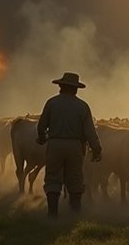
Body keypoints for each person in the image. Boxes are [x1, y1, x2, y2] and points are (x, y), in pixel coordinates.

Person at [36, 72, 102, 217]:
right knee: (75, 178)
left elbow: (41, 126)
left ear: (61, 86)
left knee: (52, 178)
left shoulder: (51, 103)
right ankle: (74, 214)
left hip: (55, 144)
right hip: (75, 146)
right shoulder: (82, 106)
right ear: (76, 89)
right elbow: (90, 131)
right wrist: (96, 149)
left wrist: (41, 138)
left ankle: (52, 215)